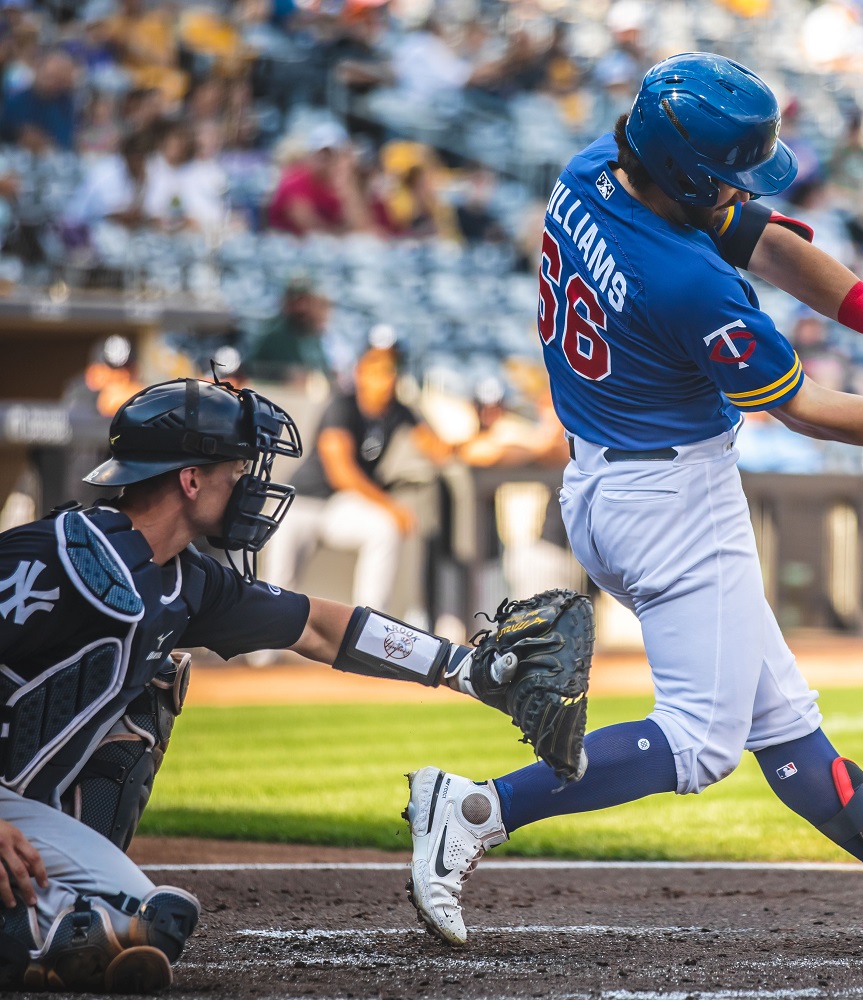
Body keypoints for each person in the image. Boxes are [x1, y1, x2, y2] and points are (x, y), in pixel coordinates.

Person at [404, 52, 863, 950]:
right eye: (727, 181)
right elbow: (802, 406)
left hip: (612, 477)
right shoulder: (687, 280)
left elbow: (772, 242)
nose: (738, 196)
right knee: (701, 741)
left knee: (782, 720)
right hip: (670, 497)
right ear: (689, 177)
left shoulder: (596, 166)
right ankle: (476, 807)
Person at [0, 376, 585, 992]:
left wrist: (468, 669)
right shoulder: (61, 555)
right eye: (236, 470)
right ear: (190, 480)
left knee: (157, 922)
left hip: (22, 812)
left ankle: (35, 924)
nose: (251, 487)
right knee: (83, 927)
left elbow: (325, 628)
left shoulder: (185, 579)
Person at [261, 343, 453, 614]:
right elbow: (341, 472)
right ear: (361, 371)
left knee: (384, 528)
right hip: (302, 502)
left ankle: (368, 630)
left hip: (339, 507)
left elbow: (439, 449)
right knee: (279, 583)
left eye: (391, 368)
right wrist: (390, 506)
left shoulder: (399, 409)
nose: (387, 376)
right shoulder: (343, 403)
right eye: (378, 368)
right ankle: (262, 652)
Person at [264, 122, 376, 236]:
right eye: (322, 154)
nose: (326, 161)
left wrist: (347, 184)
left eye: (333, 155)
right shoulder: (295, 181)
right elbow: (309, 226)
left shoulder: (344, 185)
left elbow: (364, 228)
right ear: (311, 155)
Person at [243, 274, 330, 384]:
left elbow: (324, 370)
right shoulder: (272, 335)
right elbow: (250, 369)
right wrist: (286, 374)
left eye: (305, 300)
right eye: (296, 300)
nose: (301, 307)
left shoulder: (313, 334)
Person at [1, 49, 78, 152]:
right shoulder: (15, 101)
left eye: (57, 78)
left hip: (53, 159)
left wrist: (45, 142)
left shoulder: (64, 104)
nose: (51, 82)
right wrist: (20, 135)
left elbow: (65, 140)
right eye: (48, 76)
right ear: (37, 70)